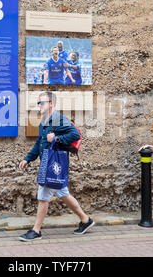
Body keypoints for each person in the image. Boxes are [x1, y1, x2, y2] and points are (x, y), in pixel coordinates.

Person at [18, 92, 94, 241]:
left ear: (51, 103)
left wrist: (57, 138)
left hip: (53, 164)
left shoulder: (59, 119)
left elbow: (75, 135)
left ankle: (36, 230)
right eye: (38, 103)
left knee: (43, 196)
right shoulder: (44, 122)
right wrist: (27, 159)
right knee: (63, 193)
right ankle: (86, 220)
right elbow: (39, 143)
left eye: (42, 102)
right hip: (47, 161)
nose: (39, 105)